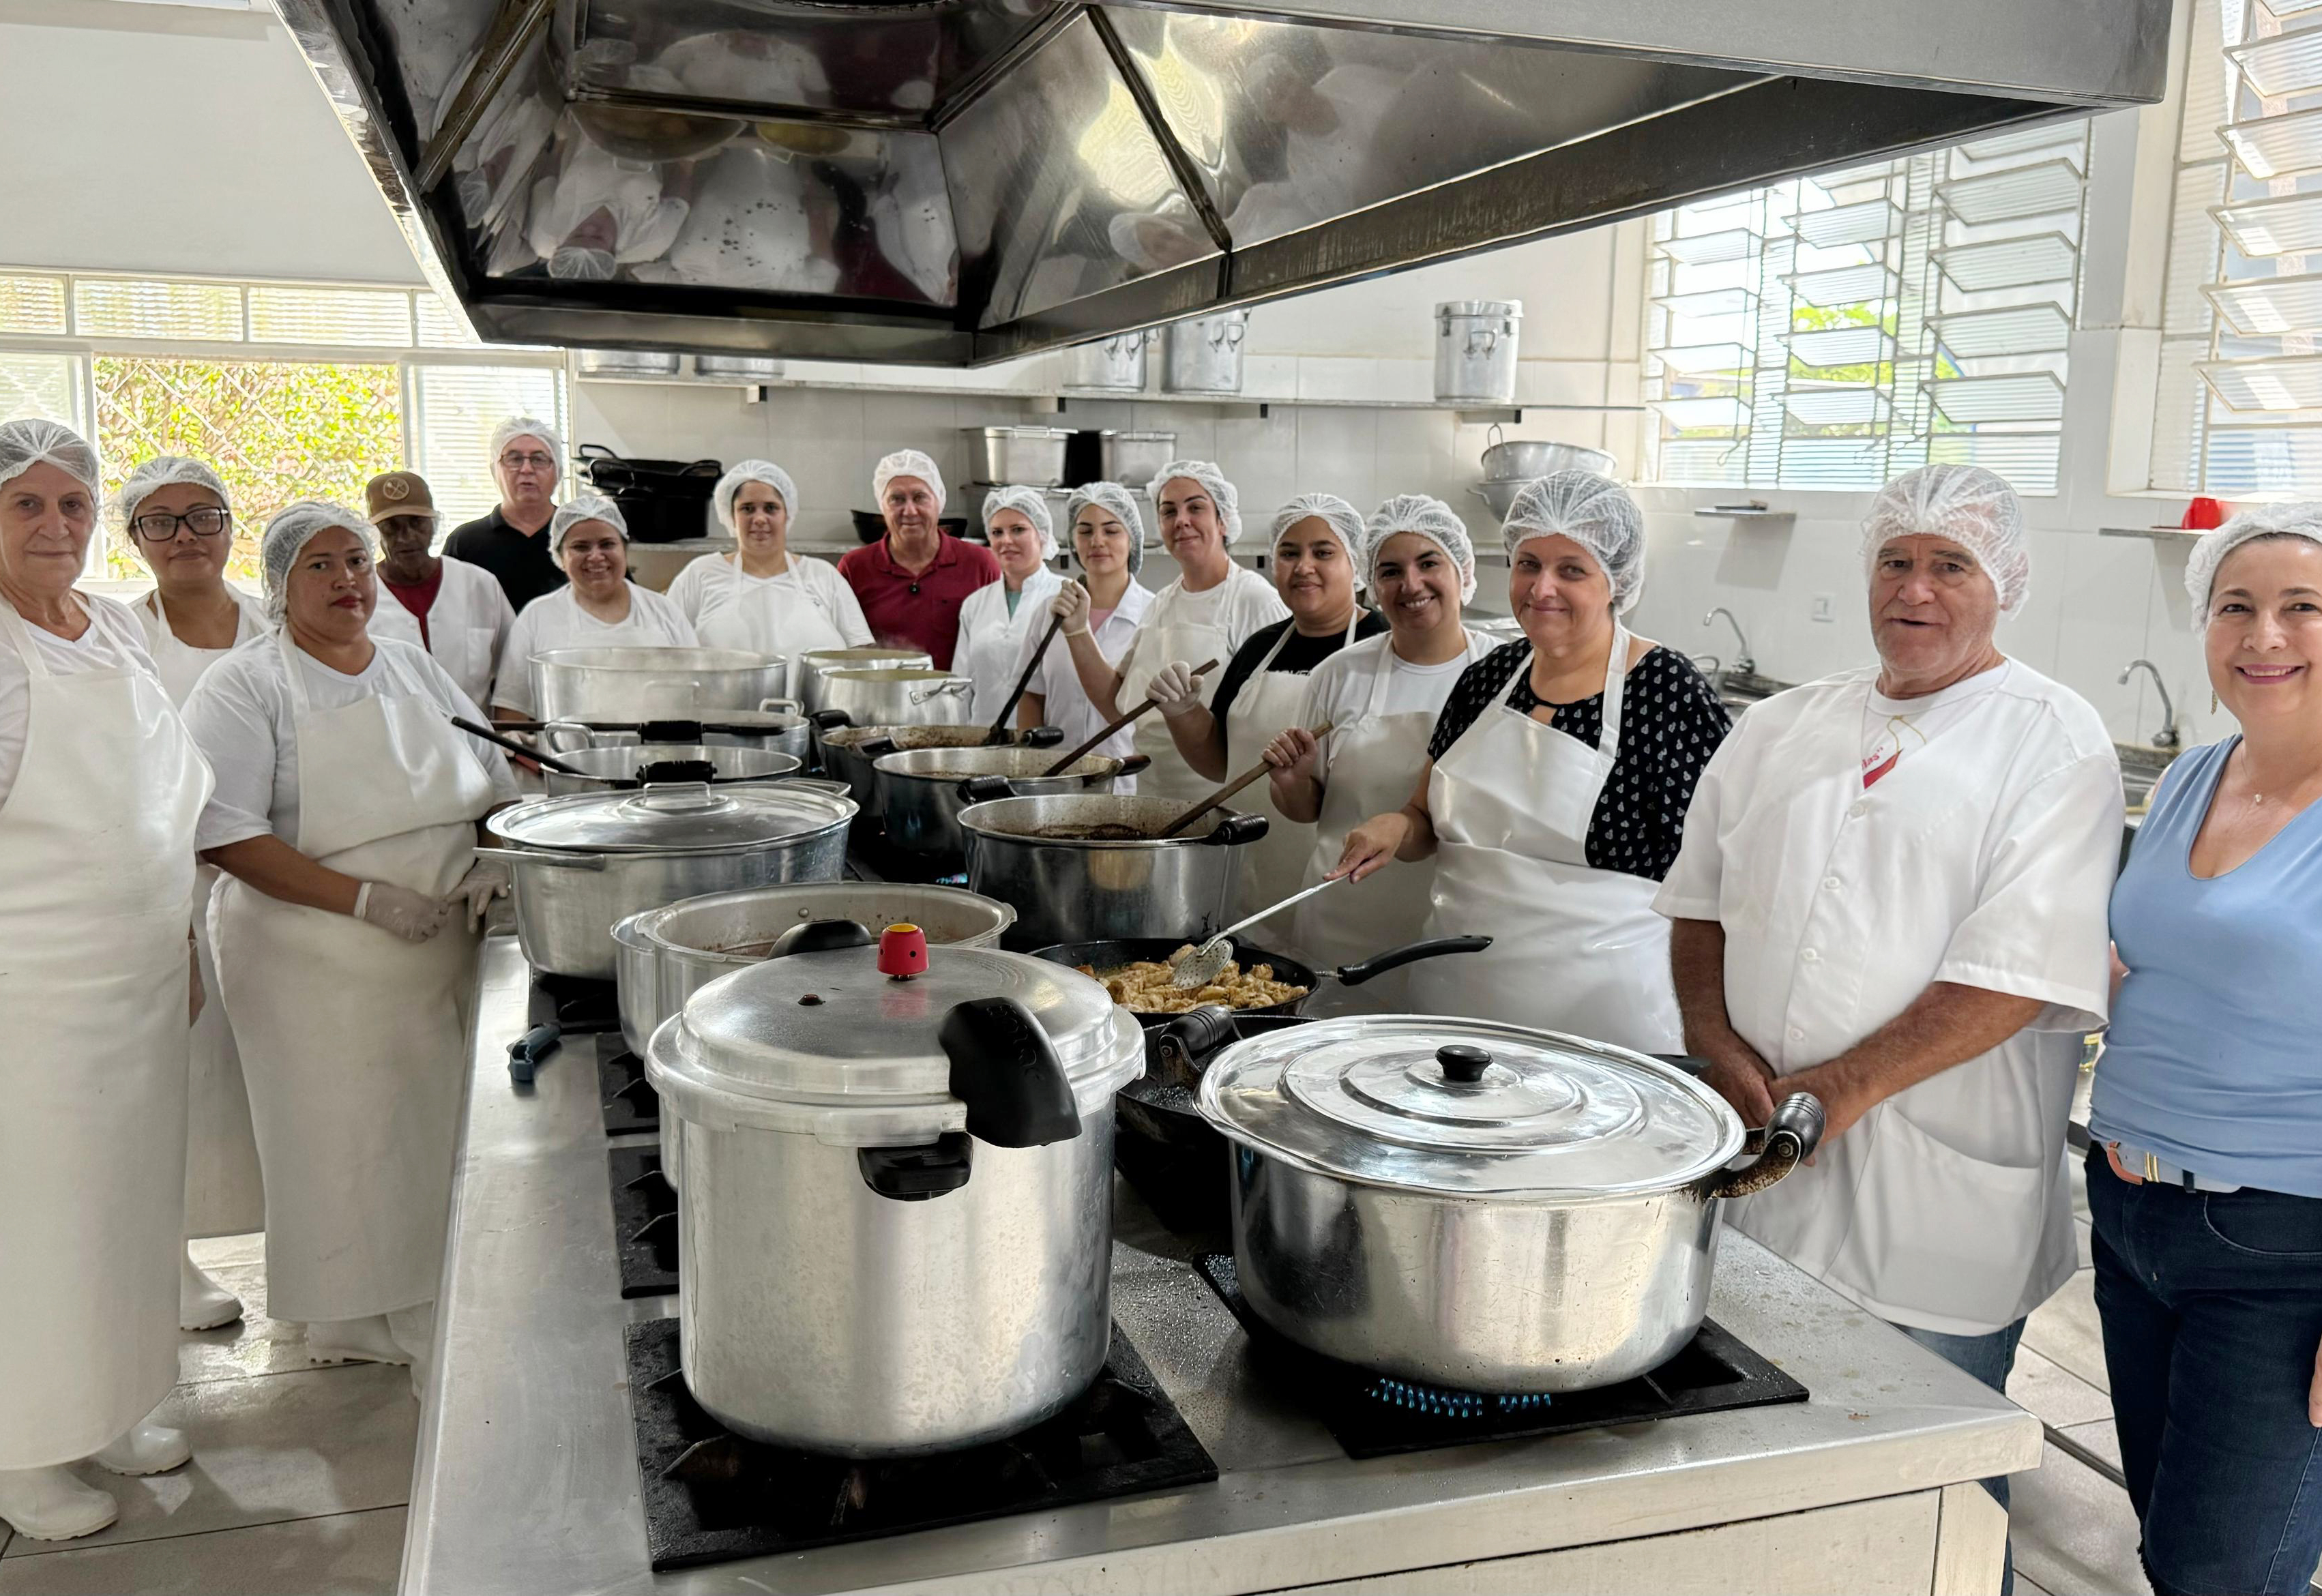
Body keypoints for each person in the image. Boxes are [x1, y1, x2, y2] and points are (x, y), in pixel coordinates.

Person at [1654, 465, 2121, 1584]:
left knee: (1928, 1510)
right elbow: (1695, 907)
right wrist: (1718, 1049)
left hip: (1932, 1204)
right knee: (1760, 1480)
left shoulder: (2053, 742)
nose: (1913, 590)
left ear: (1998, 579)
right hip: (1762, 1186)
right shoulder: (1779, 724)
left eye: (1946, 565)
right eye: (1894, 561)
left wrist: (1840, 1088)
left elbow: (2014, 972)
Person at [185, 502, 516, 1388]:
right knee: (341, 1136)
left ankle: (381, 1310)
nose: (348, 583)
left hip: (432, 945)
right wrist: (366, 899)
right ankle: (372, 1312)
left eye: (358, 563)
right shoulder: (246, 685)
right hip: (312, 957)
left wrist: (495, 858)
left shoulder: (409, 665)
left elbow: (490, 776)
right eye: (322, 567)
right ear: (281, 584)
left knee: (419, 1134)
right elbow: (222, 834)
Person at [2087, 505, 2322, 1596]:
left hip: (2282, 1250)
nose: (2264, 636)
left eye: (2302, 609)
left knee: (2223, 1574)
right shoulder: (2195, 774)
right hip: (2132, 1211)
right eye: (2238, 606)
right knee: (2171, 1544)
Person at [0, 422, 211, 1543]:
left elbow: (158, 796)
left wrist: (174, 940)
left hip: (131, 973)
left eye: (71, 504)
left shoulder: (114, 630)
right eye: (26, 505)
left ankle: (118, 1397)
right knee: (36, 1221)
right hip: (26, 993)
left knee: (127, 1209)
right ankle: (25, 1451)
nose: (55, 526)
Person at [1336, 471, 1728, 1051]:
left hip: (1602, 1029)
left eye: (1572, 569)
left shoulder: (1665, 692)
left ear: (1615, 580)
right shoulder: (1488, 677)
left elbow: (1715, 883)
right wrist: (1397, 826)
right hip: (1452, 1010)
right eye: (1528, 564)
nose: (1541, 588)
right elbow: (1424, 818)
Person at [116, 456, 271, 1335]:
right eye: (161, 521)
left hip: (271, 879)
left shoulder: (269, 622)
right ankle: (168, 1264)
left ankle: (302, 1252)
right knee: (175, 1086)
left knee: (264, 1080)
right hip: (169, 887)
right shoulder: (118, 635)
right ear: (134, 536)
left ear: (229, 527)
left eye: (202, 516)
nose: (185, 537)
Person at [1259, 494, 1493, 1007]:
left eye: (1428, 563)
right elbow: (1307, 811)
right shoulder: (1339, 674)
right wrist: (1292, 779)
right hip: (1343, 918)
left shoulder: (1501, 674)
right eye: (1390, 570)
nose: (1410, 585)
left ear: (1463, 570)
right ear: (1374, 584)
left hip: (1454, 925)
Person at [1154, 492, 1385, 924]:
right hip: (1251, 870)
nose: (1304, 566)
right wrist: (1184, 712)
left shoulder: (1384, 646)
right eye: (1289, 552)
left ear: (1357, 563)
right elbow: (1219, 763)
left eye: (1323, 552)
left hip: (1347, 879)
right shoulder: (1260, 647)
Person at [1099, 460, 1287, 805]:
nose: (1181, 520)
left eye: (1195, 508)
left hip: (1222, 800)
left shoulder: (1254, 599)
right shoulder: (1161, 603)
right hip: (1153, 799)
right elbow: (1123, 704)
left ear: (1223, 519)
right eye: (1169, 511)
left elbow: (1278, 719)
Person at [664, 460, 868, 694]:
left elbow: (859, 658)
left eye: (771, 508)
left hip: (815, 722)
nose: (759, 519)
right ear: (732, 516)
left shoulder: (823, 575)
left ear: (787, 514)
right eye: (748, 508)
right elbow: (668, 654)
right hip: (721, 722)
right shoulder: (700, 574)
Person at [490, 495, 698, 724]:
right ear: (560, 556)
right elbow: (511, 712)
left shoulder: (664, 612)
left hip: (661, 753)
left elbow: (698, 694)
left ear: (624, 549)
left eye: (607, 544)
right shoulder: (538, 617)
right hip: (564, 756)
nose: (596, 556)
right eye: (580, 547)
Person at [1025, 482, 1154, 786]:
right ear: (1073, 540)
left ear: (1132, 539)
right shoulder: (1049, 611)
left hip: (1126, 782)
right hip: (1056, 780)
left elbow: (1139, 714)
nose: (1097, 541)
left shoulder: (1154, 614)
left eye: (1111, 531)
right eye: (1085, 531)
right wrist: (1032, 772)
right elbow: (1033, 694)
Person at [836, 449, 998, 669]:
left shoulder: (980, 563)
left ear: (938, 501)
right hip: (881, 695)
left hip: (958, 696)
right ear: (882, 506)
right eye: (897, 499)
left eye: (920, 497)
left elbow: (999, 643)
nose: (909, 511)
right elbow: (842, 647)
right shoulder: (854, 568)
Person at [368, 470, 515, 709]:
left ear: (434, 525)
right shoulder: (361, 596)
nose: (406, 538)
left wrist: (507, 737)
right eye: (391, 527)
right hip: (394, 741)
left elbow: (514, 673)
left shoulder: (478, 584)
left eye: (417, 523)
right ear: (375, 534)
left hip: (476, 740)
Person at [953, 486, 1063, 720]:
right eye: (997, 532)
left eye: (1018, 530)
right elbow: (959, 687)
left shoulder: (1065, 596)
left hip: (1049, 742)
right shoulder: (975, 604)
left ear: (1041, 534)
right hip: (983, 742)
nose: (1006, 540)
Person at [443, 417, 567, 613]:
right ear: (495, 470)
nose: (527, 469)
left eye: (539, 459)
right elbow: (446, 614)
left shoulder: (580, 535)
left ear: (558, 471)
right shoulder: (465, 543)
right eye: (515, 459)